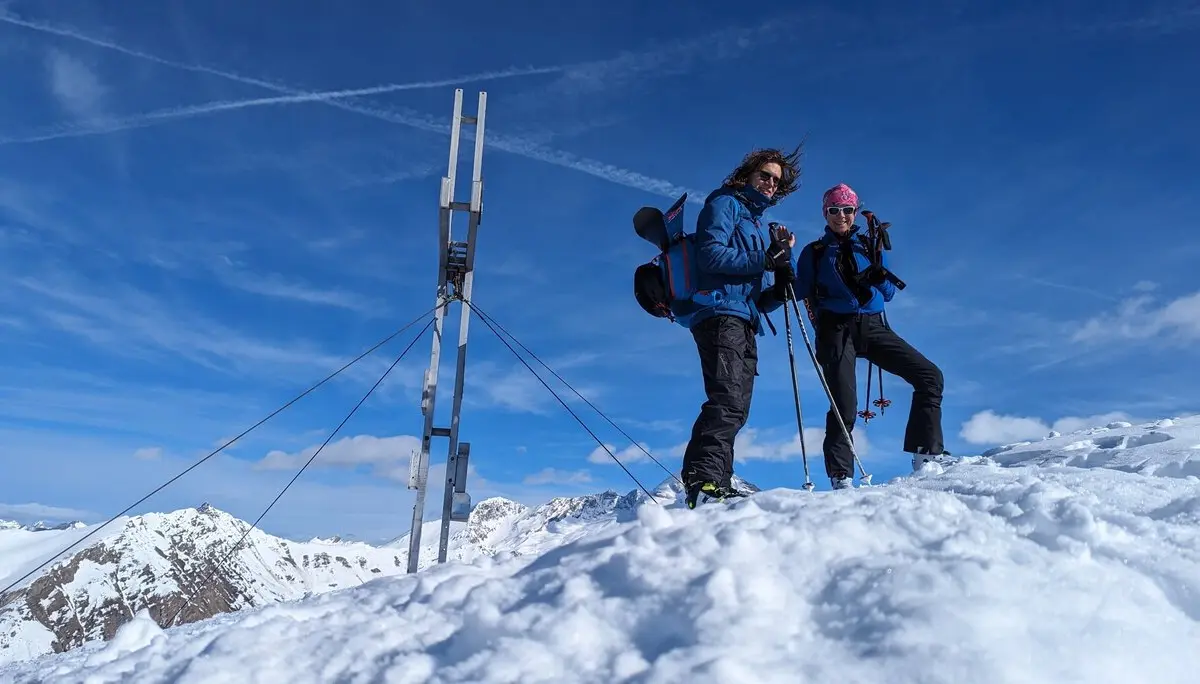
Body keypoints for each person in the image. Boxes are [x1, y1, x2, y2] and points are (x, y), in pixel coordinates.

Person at [792, 182, 950, 490]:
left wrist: (877, 276)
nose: (842, 216)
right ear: (826, 214)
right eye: (834, 210)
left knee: (930, 376)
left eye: (847, 210)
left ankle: (925, 456)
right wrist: (782, 263)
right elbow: (800, 291)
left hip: (873, 326)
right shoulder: (814, 253)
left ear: (854, 212)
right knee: (843, 404)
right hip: (835, 330)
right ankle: (841, 477)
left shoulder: (870, 245)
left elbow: (889, 293)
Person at [680, 146, 801, 509]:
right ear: (747, 174)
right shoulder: (724, 204)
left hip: (743, 318)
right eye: (765, 175)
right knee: (727, 400)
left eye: (775, 181)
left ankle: (717, 483)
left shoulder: (756, 222)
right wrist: (764, 259)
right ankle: (703, 483)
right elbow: (710, 255)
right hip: (718, 313)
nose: (769, 184)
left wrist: (780, 285)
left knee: (737, 407)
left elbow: (754, 294)